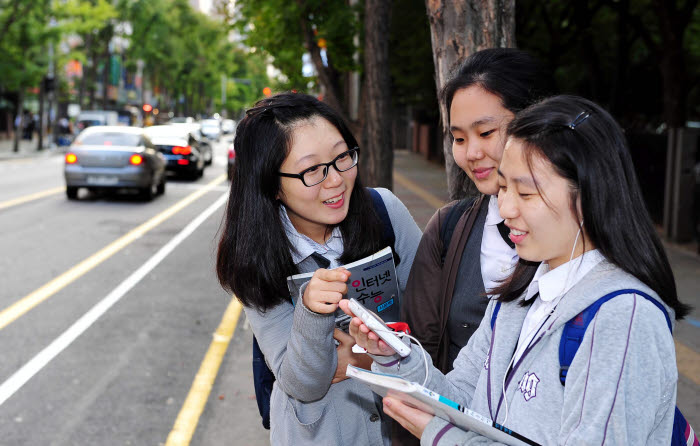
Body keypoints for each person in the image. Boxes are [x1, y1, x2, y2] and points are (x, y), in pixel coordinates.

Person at [342, 95, 691, 445]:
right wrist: (397, 360)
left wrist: (443, 438)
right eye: (504, 187)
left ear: (588, 195)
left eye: (525, 193)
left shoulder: (622, 317)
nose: (505, 208)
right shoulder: (520, 291)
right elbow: (462, 395)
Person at [215, 92, 422, 445]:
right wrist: (311, 312)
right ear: (272, 185)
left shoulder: (385, 213)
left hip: (403, 430)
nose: (335, 180)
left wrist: (354, 359)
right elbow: (303, 384)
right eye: (312, 170)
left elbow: (430, 320)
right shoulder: (254, 257)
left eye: (342, 157)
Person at [401, 48, 550, 374]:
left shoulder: (582, 237)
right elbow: (420, 351)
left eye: (485, 133)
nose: (471, 152)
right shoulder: (447, 228)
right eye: (458, 138)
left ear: (535, 120)